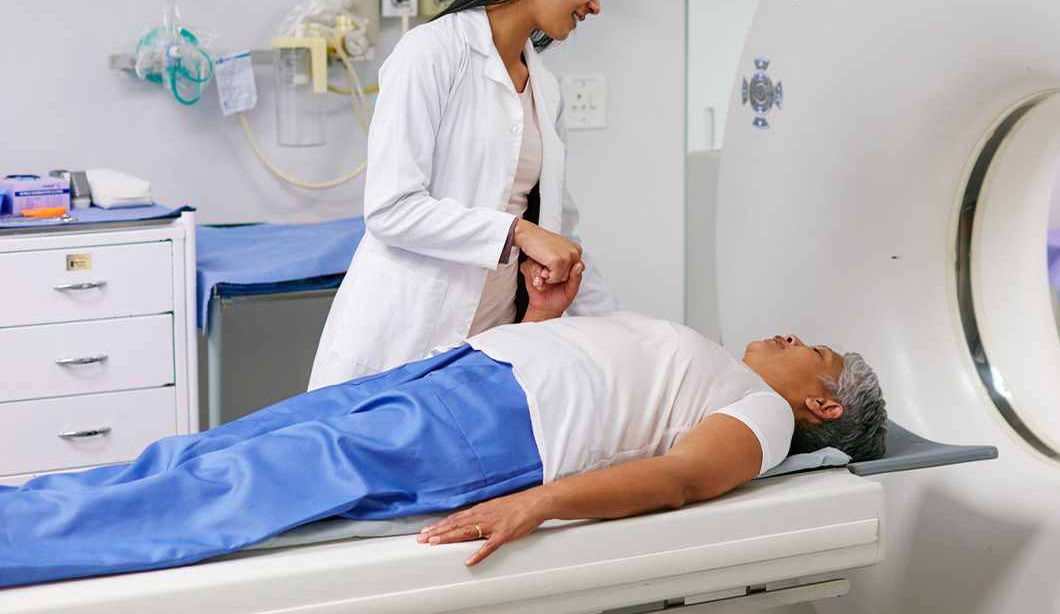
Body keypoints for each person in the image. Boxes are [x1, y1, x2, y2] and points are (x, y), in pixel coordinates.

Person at [0, 262, 887, 588]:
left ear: (822, 404)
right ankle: (25, 512)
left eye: (811, 351)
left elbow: (684, 478)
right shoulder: (725, 370)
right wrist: (544, 316)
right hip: (469, 379)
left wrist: (535, 506)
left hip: (496, 436)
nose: (788, 337)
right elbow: (605, 391)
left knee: (236, 487)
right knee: (214, 452)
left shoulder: (764, 419)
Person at [310, 0, 624, 390]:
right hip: (400, 342)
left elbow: (561, 231)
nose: (597, 5)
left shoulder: (546, 89)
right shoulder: (431, 53)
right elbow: (391, 209)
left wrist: (621, 336)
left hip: (490, 346)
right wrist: (516, 233)